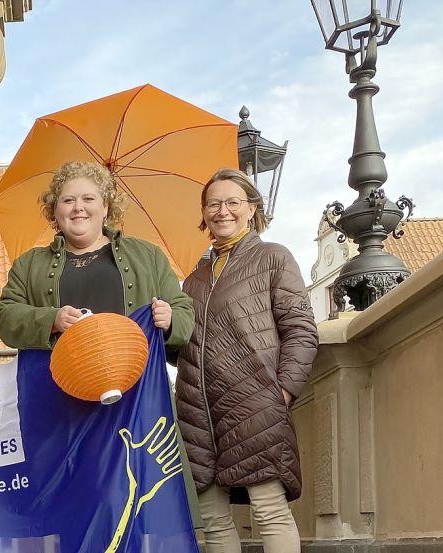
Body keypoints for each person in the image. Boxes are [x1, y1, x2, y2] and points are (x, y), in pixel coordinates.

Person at [0, 159, 201, 525]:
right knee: (68, 506)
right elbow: (4, 317)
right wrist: (50, 319)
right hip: (58, 407)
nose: (78, 208)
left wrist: (170, 320)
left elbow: (184, 312)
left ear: (106, 206)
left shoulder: (147, 256)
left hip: (133, 404)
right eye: (67, 200)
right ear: (54, 209)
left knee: (132, 501)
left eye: (89, 198)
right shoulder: (29, 265)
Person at [175, 168, 318, 553]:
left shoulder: (274, 257)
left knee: (269, 509)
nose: (223, 211)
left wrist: (282, 393)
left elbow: (301, 330)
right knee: (214, 520)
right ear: (203, 213)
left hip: (254, 405)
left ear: (252, 208)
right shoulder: (194, 280)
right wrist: (167, 324)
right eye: (213, 203)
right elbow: (187, 346)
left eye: (232, 202)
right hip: (198, 410)